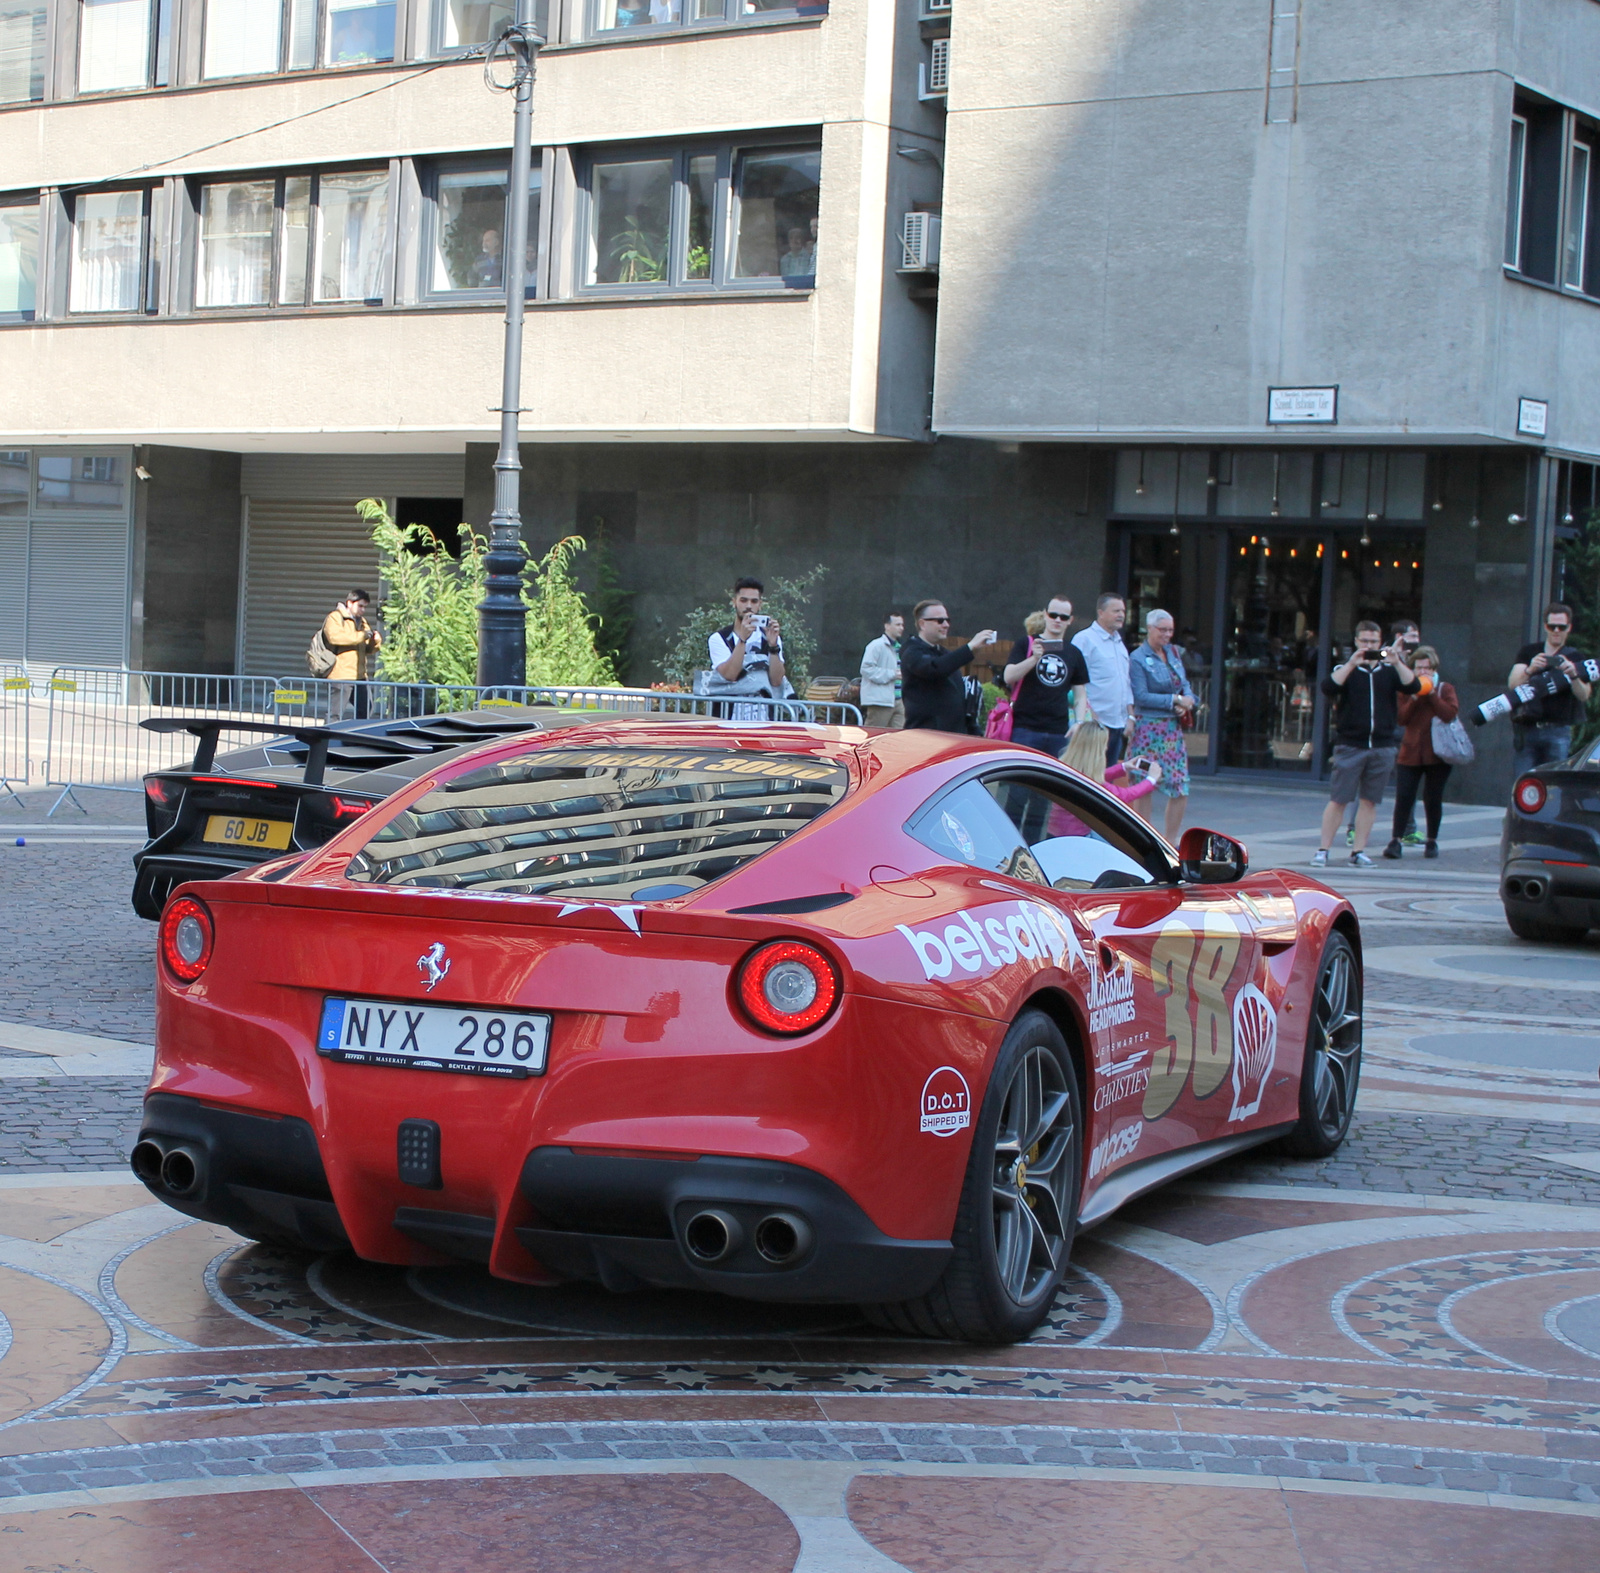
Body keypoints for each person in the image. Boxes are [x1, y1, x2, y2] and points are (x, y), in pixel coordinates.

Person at [1311, 621, 1419, 868]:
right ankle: (1323, 849)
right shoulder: (1347, 669)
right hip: (1351, 744)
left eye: (1374, 642)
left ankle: (1358, 851)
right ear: (1357, 642)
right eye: (1365, 642)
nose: (1370, 646)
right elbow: (1328, 687)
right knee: (1339, 798)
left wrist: (1397, 661)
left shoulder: (1389, 670)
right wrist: (1352, 664)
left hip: (1381, 745)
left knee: (1370, 800)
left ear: (1381, 642)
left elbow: (1413, 686)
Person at [1127, 608, 1197, 843]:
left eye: (1170, 630)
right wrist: (1174, 700)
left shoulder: (1174, 653)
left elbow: (1184, 684)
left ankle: (1169, 840)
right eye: (1162, 630)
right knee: (1145, 784)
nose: (1167, 635)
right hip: (1148, 729)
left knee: (1180, 784)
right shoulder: (1137, 658)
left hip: (1171, 731)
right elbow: (1141, 696)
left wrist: (1187, 701)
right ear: (1150, 628)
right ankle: (1143, 840)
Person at [1382, 646, 1457, 861]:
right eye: (1419, 667)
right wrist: (1415, 696)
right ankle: (1396, 839)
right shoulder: (1405, 690)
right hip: (1411, 751)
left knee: (1433, 797)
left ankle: (1432, 840)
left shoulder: (1445, 688)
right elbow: (1401, 718)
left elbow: (1449, 714)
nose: (1423, 672)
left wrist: (1432, 694)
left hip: (1438, 753)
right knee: (1404, 796)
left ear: (1434, 670)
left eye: (1428, 668)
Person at [1508, 603, 1593, 774]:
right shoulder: (1529, 652)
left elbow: (1584, 695)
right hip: (1528, 727)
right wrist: (1530, 669)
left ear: (1569, 628)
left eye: (1561, 627)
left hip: (1558, 730)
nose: (1556, 630)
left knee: (1554, 784)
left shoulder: (1575, 657)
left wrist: (1573, 674)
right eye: (1551, 626)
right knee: (1522, 782)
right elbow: (1512, 684)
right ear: (1545, 626)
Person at [1002, 596, 1089, 757]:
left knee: (1051, 781)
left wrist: (1079, 722)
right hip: (1025, 728)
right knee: (1019, 779)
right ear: (1045, 614)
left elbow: (1080, 694)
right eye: (1053, 615)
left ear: (1070, 620)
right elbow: (1008, 676)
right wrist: (1033, 659)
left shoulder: (1073, 652)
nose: (1057, 620)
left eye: (1063, 617)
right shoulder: (1027, 643)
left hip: (1058, 731)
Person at [902, 600, 997, 733]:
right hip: (926, 737)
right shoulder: (911, 652)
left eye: (947, 620)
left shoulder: (943, 653)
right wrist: (970, 647)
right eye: (940, 621)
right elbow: (935, 669)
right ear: (922, 624)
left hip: (952, 736)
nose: (946, 625)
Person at [708, 578, 788, 717]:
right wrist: (742, 640)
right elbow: (730, 675)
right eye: (743, 600)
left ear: (760, 605)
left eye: (754, 601)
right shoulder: (719, 638)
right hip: (728, 716)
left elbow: (776, 680)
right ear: (734, 602)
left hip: (763, 715)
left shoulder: (770, 637)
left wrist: (773, 646)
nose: (749, 606)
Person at [1072, 593, 1134, 767]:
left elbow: (1125, 682)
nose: (1121, 615)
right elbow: (1075, 681)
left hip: (1118, 724)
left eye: (1123, 610)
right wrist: (1089, 713)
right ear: (1101, 612)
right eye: (1116, 611)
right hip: (1094, 725)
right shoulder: (1084, 639)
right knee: (1089, 776)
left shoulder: (1119, 643)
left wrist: (1130, 716)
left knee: (1108, 779)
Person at [1059, 720, 1162, 805]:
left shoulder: (1065, 768)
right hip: (1080, 830)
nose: (1106, 748)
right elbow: (1125, 795)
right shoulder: (1091, 782)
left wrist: (1124, 767)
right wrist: (1151, 779)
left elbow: (1094, 776)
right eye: (1104, 744)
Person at [324, 589, 381, 722]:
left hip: (359, 676)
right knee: (335, 714)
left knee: (366, 710)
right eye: (360, 606)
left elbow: (367, 649)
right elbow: (335, 638)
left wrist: (375, 641)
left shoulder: (362, 622)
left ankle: (358, 737)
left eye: (365, 607)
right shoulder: (335, 617)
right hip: (341, 676)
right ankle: (326, 740)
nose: (363, 610)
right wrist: (362, 635)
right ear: (349, 603)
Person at [860, 613, 905, 728]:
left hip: (899, 700)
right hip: (880, 701)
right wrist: (892, 674)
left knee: (897, 739)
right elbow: (866, 669)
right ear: (887, 626)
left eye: (902, 625)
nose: (901, 628)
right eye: (898, 624)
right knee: (874, 736)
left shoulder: (900, 647)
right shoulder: (876, 645)